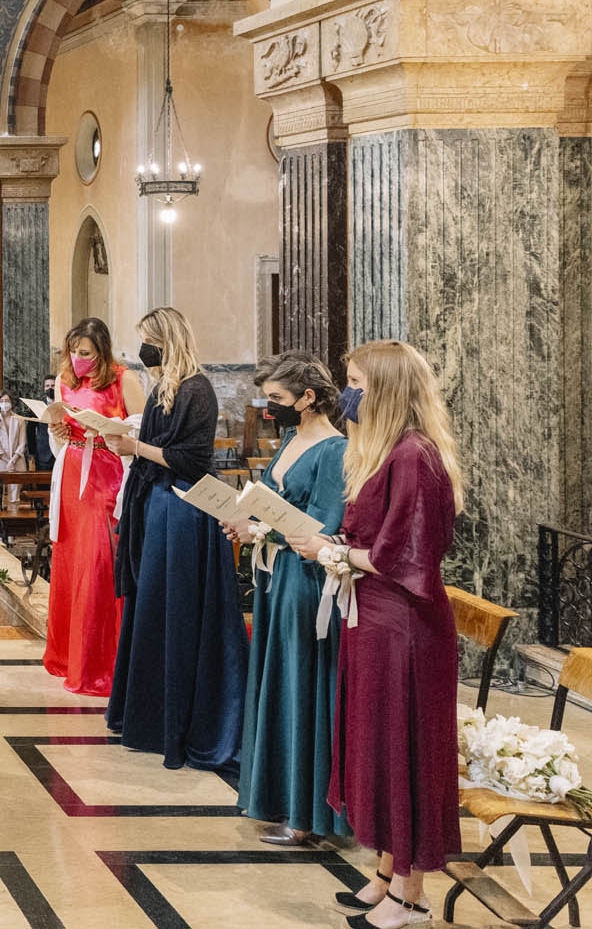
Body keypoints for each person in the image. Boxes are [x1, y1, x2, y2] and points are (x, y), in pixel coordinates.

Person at [288, 342, 462, 927]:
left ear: (384, 389)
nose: (349, 394)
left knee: (401, 750)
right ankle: (386, 875)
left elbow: (404, 556)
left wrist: (333, 554)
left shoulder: (415, 455)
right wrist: (332, 548)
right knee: (379, 746)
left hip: (405, 631)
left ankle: (410, 897)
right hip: (376, 620)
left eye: (357, 381)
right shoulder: (386, 451)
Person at [106, 307, 242, 775]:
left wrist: (136, 447)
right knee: (152, 610)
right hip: (157, 504)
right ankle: (146, 718)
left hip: (185, 510)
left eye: (148, 340)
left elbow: (190, 457)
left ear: (167, 340)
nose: (143, 349)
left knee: (176, 613)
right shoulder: (166, 387)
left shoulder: (196, 388)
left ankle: (179, 724)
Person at [233, 351, 349, 846]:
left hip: (306, 581)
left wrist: (266, 528)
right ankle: (279, 798)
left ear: (308, 398)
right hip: (277, 574)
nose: (268, 407)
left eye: (277, 399)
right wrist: (247, 521)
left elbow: (324, 526)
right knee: (278, 682)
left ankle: (307, 816)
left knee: (302, 687)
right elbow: (278, 504)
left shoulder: (334, 450)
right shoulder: (291, 437)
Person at [43, 318, 142, 697]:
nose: (78, 358)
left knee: (100, 562)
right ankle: (69, 656)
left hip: (107, 471)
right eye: (74, 352)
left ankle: (102, 663)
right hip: (71, 473)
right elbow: (62, 426)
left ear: (102, 350)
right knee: (72, 561)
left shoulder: (122, 379)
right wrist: (58, 431)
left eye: (86, 353)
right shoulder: (66, 380)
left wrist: (111, 428)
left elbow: (142, 427)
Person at [26, 374, 58, 473]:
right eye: (47, 386)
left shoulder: (63, 404)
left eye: (53, 385)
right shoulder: (37, 406)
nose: (50, 388)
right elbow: (30, 430)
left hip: (60, 452)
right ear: (44, 388)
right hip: (43, 454)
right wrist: (32, 453)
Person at [0, 394, 24, 472]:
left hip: (17, 461)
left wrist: (13, 460)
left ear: (12, 402)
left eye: (7, 401)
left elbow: (22, 443)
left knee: (16, 483)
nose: (4, 403)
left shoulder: (20, 419)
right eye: (2, 401)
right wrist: (8, 461)